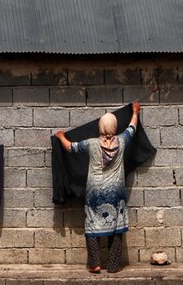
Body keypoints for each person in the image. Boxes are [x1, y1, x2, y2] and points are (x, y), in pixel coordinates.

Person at [55, 101, 141, 274]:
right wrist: (135, 111)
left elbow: (70, 148)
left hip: (95, 190)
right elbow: (132, 128)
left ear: (100, 126)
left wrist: (60, 136)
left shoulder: (91, 144)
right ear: (115, 126)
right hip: (116, 191)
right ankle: (114, 264)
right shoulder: (122, 142)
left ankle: (95, 264)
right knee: (116, 226)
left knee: (92, 223)